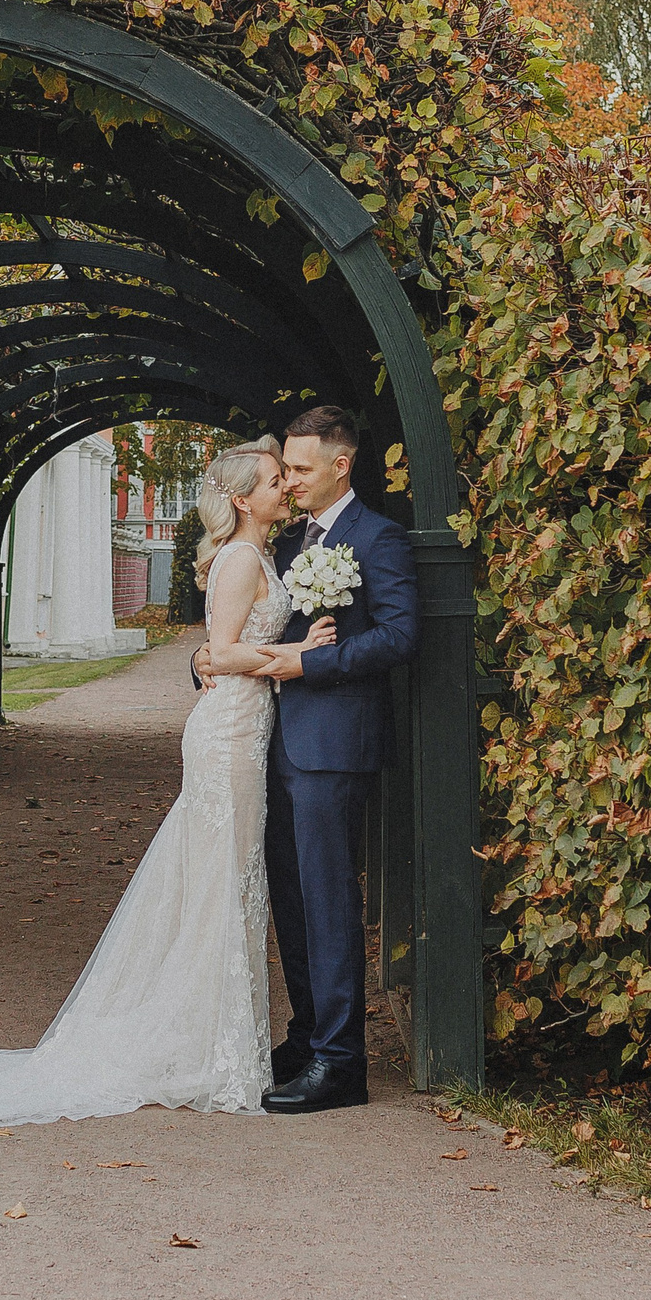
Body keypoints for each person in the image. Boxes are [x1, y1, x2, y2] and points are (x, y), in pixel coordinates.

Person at [0, 436, 332, 1124]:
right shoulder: (237, 558)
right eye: (269, 480)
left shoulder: (258, 553)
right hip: (228, 733)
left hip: (247, 730)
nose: (281, 488)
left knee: (225, 884)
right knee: (219, 884)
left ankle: (220, 1043)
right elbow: (221, 653)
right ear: (240, 498)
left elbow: (216, 648)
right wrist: (299, 650)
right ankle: (210, 1051)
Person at [197, 403, 419, 1113]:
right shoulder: (286, 542)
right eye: (282, 470)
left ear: (339, 464)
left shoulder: (377, 537)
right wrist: (208, 660)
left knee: (327, 900)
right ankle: (307, 1034)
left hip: (332, 745)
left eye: (297, 468)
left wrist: (309, 669)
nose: (288, 481)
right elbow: (246, 625)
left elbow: (398, 637)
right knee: (289, 901)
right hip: (268, 741)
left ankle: (341, 1061)